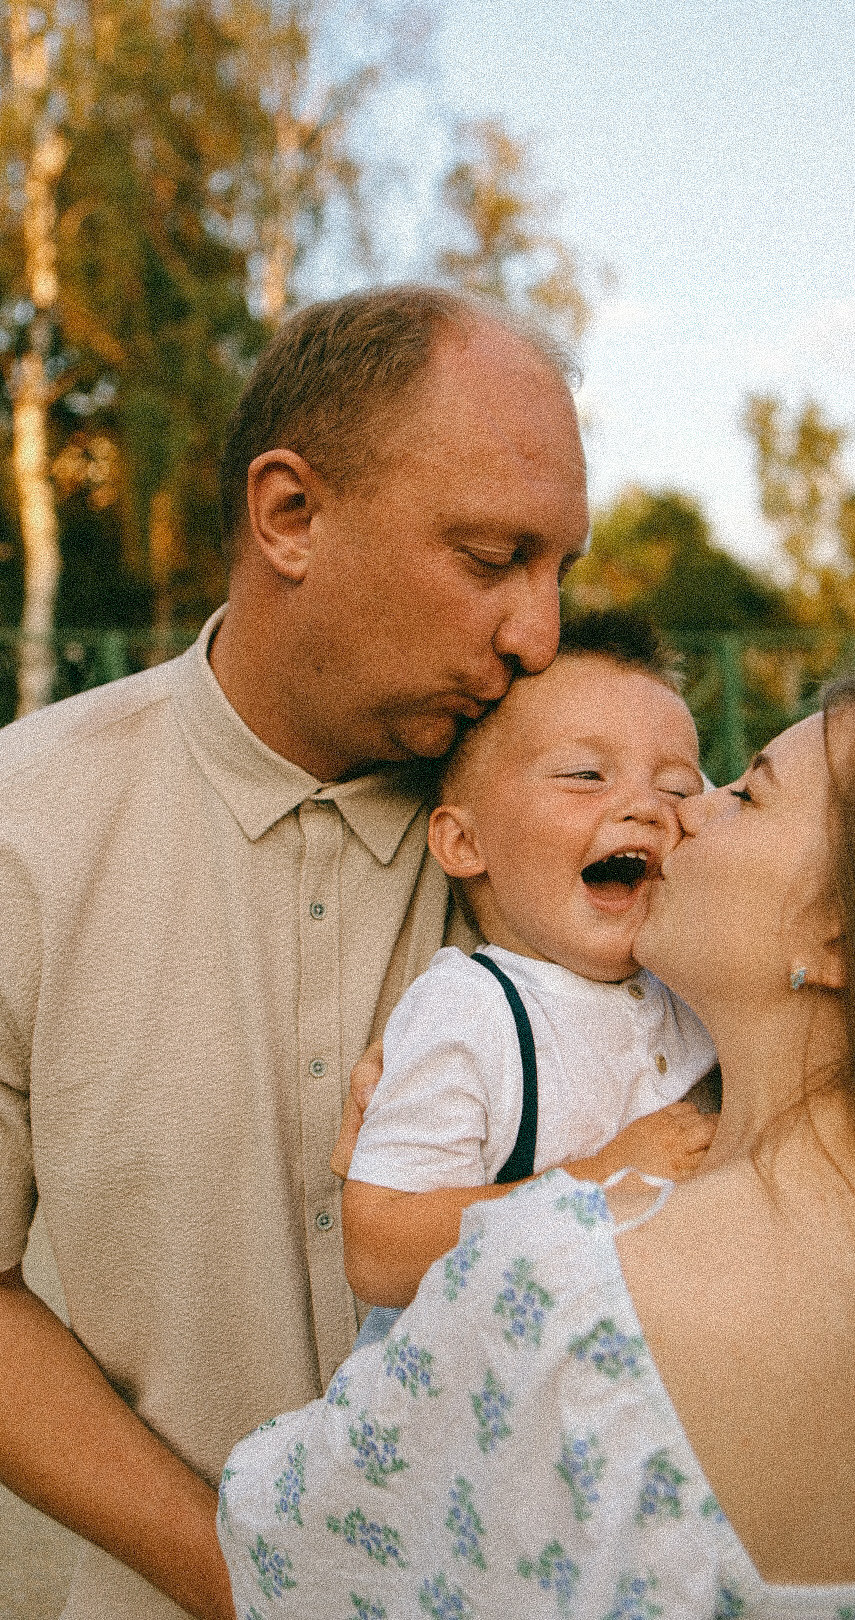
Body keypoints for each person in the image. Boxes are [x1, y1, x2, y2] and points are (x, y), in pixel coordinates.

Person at [218, 649, 855, 1619]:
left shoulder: (566, 1289)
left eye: (743, 792)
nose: (686, 809)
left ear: (845, 942)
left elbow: (284, 1543)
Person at [0, 285, 597, 1620]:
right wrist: (247, 1578)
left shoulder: (582, 832)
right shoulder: (18, 828)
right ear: (290, 516)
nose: (539, 635)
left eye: (561, 572)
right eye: (494, 558)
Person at [344, 611, 719, 1338]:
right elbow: (379, 1248)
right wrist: (599, 1178)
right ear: (463, 840)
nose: (645, 806)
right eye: (586, 775)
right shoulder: (471, 1010)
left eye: (677, 788)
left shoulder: (696, 982)